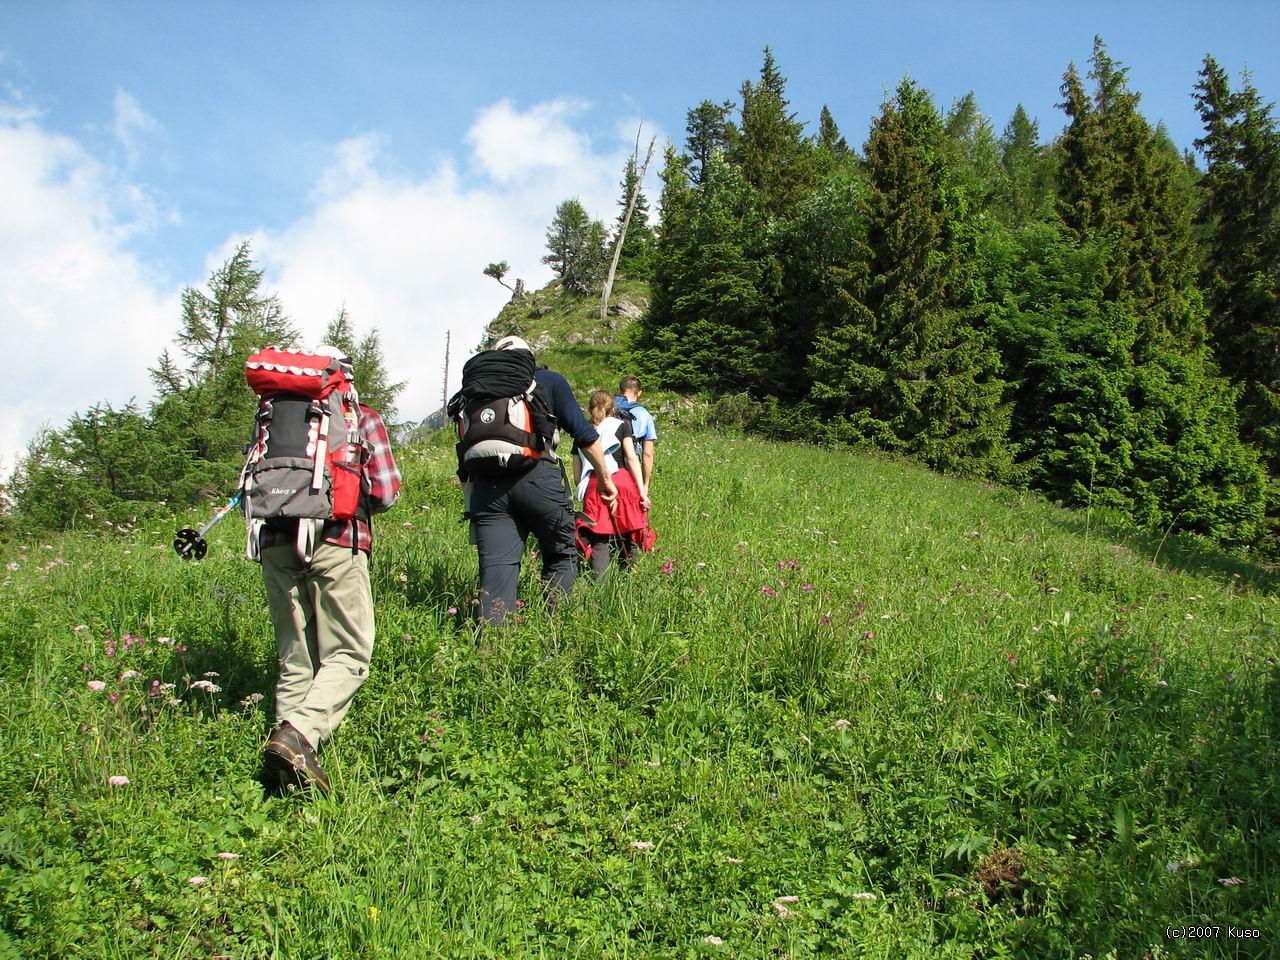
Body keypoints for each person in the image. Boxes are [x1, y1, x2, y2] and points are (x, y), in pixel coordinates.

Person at [255, 347, 401, 796]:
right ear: (344, 378)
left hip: (275, 540)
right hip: (338, 537)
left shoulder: (272, 416)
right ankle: (299, 735)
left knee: (295, 658)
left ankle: (284, 783)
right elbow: (386, 491)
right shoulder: (361, 416)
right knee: (351, 652)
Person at [466, 336, 616, 624]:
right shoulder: (548, 380)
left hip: (487, 487)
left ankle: (491, 654)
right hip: (539, 477)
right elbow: (584, 435)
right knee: (561, 554)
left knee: (496, 569)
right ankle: (555, 633)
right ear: (529, 358)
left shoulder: (477, 389)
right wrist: (605, 478)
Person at [574, 390, 652, 575]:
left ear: (590, 408)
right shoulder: (621, 425)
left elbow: (577, 474)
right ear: (612, 408)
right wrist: (642, 492)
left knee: (599, 537)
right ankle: (628, 577)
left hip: (595, 484)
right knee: (628, 531)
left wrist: (584, 491)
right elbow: (631, 458)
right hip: (623, 481)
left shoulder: (581, 431)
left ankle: (601, 587)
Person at [614, 376, 658, 488]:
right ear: (639, 393)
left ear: (620, 390)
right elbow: (647, 454)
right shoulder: (644, 414)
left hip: (605, 466)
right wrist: (645, 485)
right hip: (629, 467)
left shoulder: (608, 408)